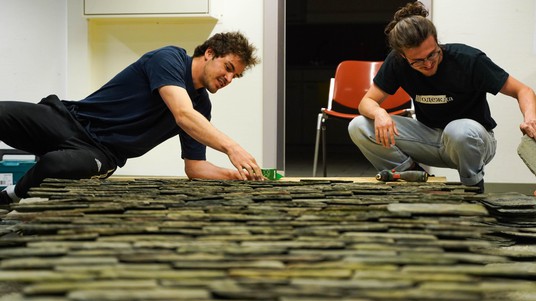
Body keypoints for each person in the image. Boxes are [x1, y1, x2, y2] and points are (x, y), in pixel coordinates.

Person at [0, 31, 264, 205]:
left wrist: (236, 175)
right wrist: (233, 148)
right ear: (209, 53)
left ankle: (9, 197)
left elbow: (195, 168)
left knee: (54, 164)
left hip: (102, 153)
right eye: (228, 68)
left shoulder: (201, 107)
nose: (229, 79)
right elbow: (182, 114)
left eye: (235, 76)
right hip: (69, 119)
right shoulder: (169, 58)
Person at [347, 1, 536, 193]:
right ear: (403, 56)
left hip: (472, 141)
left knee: (458, 130)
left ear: (437, 41)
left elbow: (523, 90)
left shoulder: (469, 60)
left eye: (432, 55)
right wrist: (379, 113)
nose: (428, 64)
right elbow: (367, 102)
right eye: (418, 61)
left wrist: (530, 119)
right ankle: (415, 179)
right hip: (429, 138)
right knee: (359, 126)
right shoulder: (396, 63)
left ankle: (472, 188)